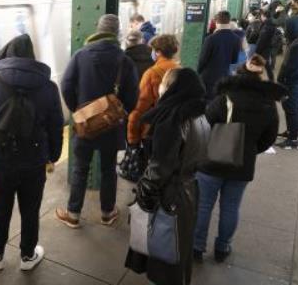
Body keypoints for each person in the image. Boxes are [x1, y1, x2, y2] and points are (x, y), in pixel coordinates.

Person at [0, 34, 64, 271]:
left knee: (0, 209)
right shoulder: (48, 86)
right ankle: (27, 256)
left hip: (1, 160)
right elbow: (56, 124)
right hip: (34, 162)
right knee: (30, 210)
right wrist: (53, 155)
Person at [194, 55, 285, 263]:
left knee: (204, 205)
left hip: (212, 161)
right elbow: (269, 138)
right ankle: (222, 248)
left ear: (239, 73)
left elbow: (205, 127)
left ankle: (196, 247)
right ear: (261, 76)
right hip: (243, 165)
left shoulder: (224, 99)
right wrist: (250, 149)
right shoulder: (269, 104)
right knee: (231, 206)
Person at [125, 68, 210, 285]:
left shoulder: (171, 120)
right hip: (189, 190)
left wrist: (144, 194)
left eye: (164, 83)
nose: (161, 87)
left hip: (169, 195)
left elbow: (160, 166)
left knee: (164, 249)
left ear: (172, 88)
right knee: (180, 248)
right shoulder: (200, 114)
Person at [56, 14, 138, 227]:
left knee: (80, 168)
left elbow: (65, 86)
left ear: (98, 30)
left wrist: (79, 110)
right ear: (117, 32)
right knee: (109, 169)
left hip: (85, 126)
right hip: (112, 127)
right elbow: (133, 97)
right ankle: (107, 212)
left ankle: (73, 214)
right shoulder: (125, 60)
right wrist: (120, 113)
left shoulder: (80, 55)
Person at [121, 35, 181, 182]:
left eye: (153, 50)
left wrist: (132, 137)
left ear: (158, 52)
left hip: (154, 130)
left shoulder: (152, 73)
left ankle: (149, 199)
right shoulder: (181, 70)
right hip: (177, 126)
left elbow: (139, 108)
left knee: (152, 169)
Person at [197, 11, 241, 100]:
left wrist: (198, 72)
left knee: (207, 101)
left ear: (217, 22)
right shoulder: (236, 39)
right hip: (224, 76)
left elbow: (203, 60)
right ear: (229, 22)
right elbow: (234, 60)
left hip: (208, 78)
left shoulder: (210, 39)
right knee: (219, 101)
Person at [277, 6, 298, 150]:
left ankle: (292, 139)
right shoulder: (297, 41)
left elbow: (292, 67)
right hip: (294, 82)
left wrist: (282, 80)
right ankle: (290, 132)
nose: (286, 30)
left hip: (293, 83)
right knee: (289, 108)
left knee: (291, 109)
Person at [256, 10, 277, 81]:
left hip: (264, 49)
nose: (260, 18)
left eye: (261, 16)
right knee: (266, 65)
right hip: (268, 47)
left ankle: (256, 80)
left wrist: (257, 51)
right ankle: (271, 79)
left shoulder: (267, 26)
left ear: (264, 16)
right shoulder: (271, 24)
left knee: (260, 64)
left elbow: (262, 40)